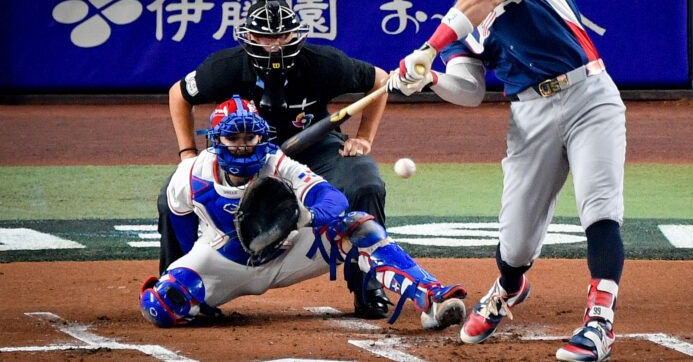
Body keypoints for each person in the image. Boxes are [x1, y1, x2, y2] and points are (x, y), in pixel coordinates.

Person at [389, 0, 626, 361]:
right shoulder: (461, 22)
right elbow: (471, 90)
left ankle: (599, 324)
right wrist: (431, 79)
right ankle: (508, 288)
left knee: (599, 206)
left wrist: (428, 48)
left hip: (589, 94)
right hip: (529, 116)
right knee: (515, 245)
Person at [158, 0, 392, 319]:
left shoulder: (323, 63)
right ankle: (176, 289)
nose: (275, 44)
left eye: (283, 35)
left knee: (366, 185)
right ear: (248, 36)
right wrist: (187, 154)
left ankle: (369, 285)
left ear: (296, 34)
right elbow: (178, 94)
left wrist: (364, 138)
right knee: (170, 197)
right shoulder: (226, 66)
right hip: (241, 154)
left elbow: (380, 81)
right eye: (266, 37)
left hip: (314, 149)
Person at [141, 96, 467, 331]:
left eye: (250, 137)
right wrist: (190, 269)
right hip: (223, 261)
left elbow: (331, 198)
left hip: (289, 255)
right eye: (233, 137)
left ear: (261, 137)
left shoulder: (278, 164)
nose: (243, 145)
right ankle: (203, 305)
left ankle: (431, 298)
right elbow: (180, 220)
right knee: (161, 305)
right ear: (216, 140)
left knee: (356, 225)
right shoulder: (190, 175)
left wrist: (304, 215)